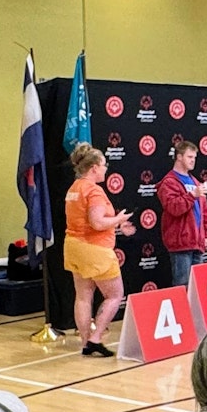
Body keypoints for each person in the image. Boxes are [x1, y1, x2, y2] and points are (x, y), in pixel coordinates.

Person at [62, 141, 133, 358]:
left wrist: (116, 223)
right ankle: (95, 338)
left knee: (83, 296)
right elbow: (97, 223)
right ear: (94, 168)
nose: (105, 169)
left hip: (73, 246)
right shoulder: (94, 190)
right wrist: (119, 218)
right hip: (95, 249)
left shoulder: (74, 188)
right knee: (115, 295)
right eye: (104, 165)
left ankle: (85, 342)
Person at [157, 138, 207, 287]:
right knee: (182, 285)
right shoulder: (169, 182)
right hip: (180, 243)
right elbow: (173, 208)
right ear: (179, 157)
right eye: (189, 157)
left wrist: (206, 234)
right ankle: (182, 311)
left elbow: (204, 211)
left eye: (194, 157)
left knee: (197, 286)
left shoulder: (194, 181)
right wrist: (192, 195)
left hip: (197, 242)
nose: (193, 161)